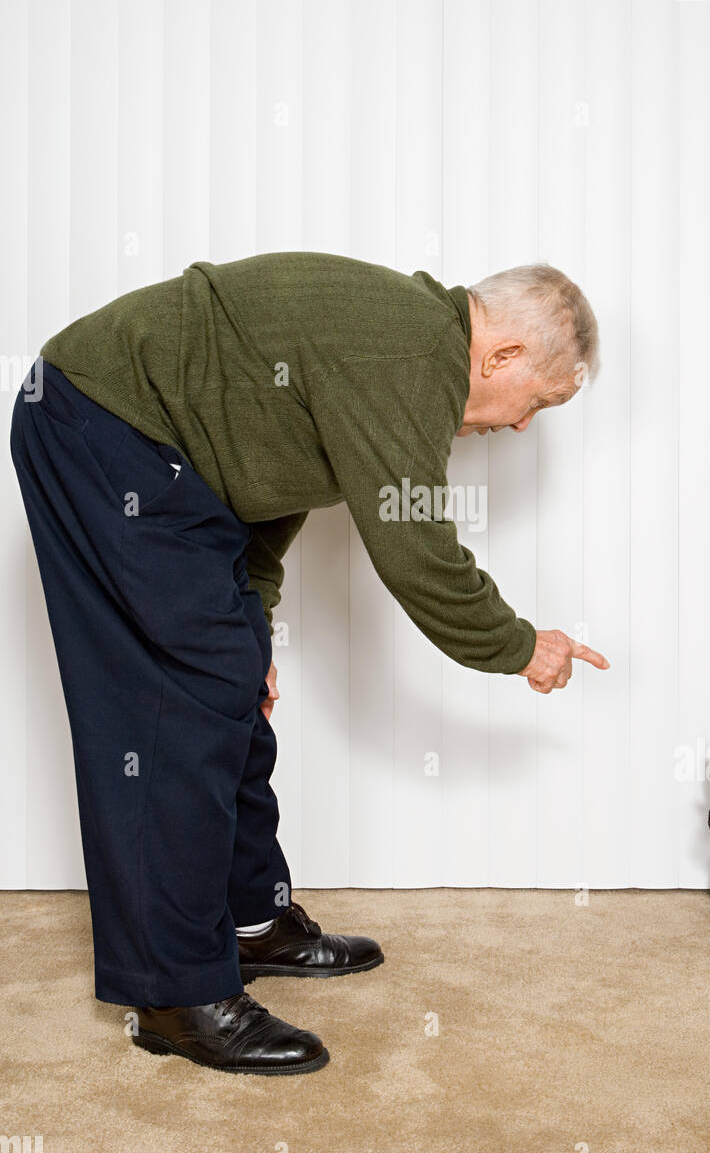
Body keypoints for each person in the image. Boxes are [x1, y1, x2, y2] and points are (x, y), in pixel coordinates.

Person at [10, 252, 608, 1075]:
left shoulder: (401, 345)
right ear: (501, 356)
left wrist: (250, 621)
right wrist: (516, 646)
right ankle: (178, 996)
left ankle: (253, 920)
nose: (519, 427)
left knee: (233, 677)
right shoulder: (413, 355)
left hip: (153, 446)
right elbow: (417, 551)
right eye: (538, 402)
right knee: (174, 711)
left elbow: (264, 470)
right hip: (102, 423)